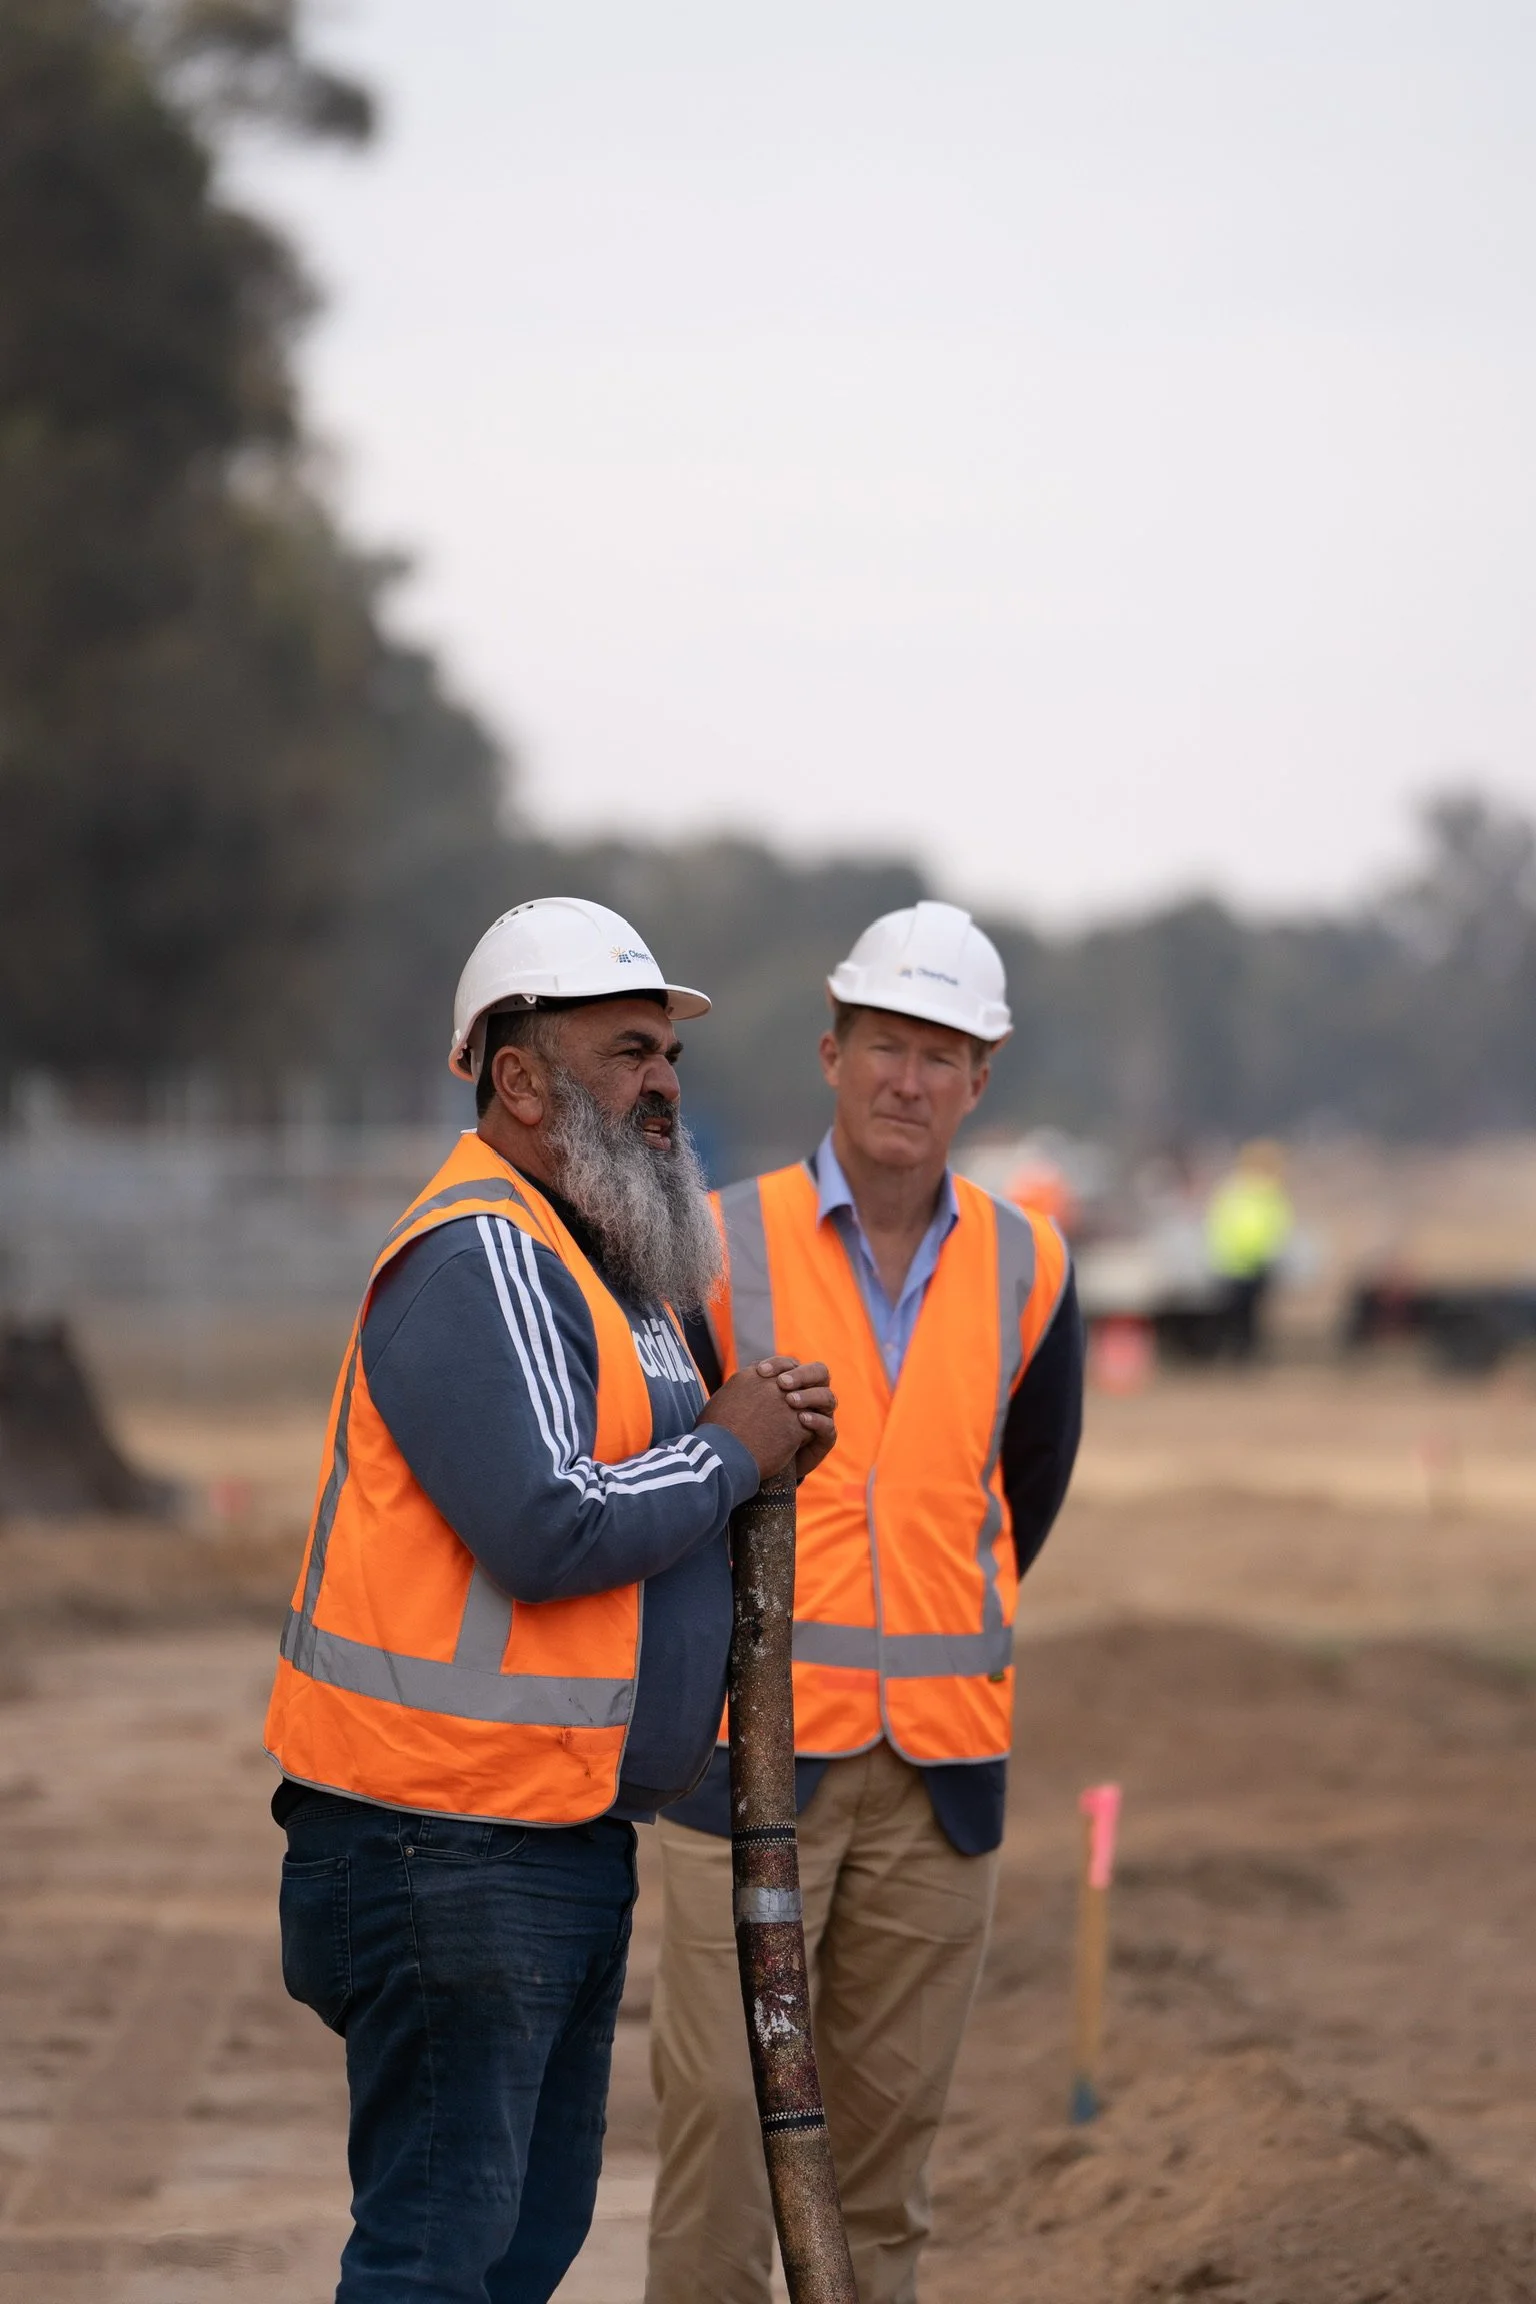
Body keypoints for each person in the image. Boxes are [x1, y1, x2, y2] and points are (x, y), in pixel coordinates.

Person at [264, 896, 838, 2304]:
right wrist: (730, 1447)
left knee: (517, 2246)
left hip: (549, 1831)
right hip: (442, 1842)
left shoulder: (608, 1261)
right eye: (627, 1050)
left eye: (669, 1056)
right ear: (515, 1079)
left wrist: (743, 1446)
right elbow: (546, 1525)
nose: (663, 1083)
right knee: (439, 2256)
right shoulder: (485, 1254)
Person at [645, 900, 1085, 2304]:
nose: (911, 1078)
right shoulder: (713, 1244)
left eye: (943, 1053)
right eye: (888, 1045)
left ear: (983, 1077)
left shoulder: (1032, 1267)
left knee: (885, 2176)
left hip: (940, 1778)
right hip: (743, 1764)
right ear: (832, 1055)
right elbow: (665, 1481)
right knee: (720, 2126)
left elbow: (1026, 1487)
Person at [1205, 1138, 1294, 1361]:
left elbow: (1279, 1229)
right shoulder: (1235, 1191)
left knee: (1251, 1316)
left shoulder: (1270, 1194)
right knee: (1231, 1314)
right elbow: (1218, 1226)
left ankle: (1245, 1356)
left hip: (1257, 1264)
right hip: (1232, 1264)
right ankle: (1228, 1353)